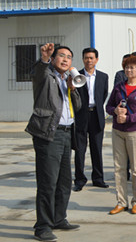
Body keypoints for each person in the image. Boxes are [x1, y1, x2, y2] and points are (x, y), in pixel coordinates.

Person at [26, 43, 82, 241]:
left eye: (69, 57)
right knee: (48, 182)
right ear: (53, 58)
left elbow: (78, 106)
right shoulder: (46, 76)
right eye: (61, 56)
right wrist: (43, 59)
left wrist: (72, 89)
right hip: (49, 133)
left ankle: (59, 218)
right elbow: (38, 72)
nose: (65, 60)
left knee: (64, 181)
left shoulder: (68, 79)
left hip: (67, 134)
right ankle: (42, 226)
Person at [106, 54, 136, 215]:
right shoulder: (119, 87)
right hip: (118, 131)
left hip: (134, 131)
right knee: (119, 167)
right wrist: (115, 111)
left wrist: (128, 118)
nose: (129, 70)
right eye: (126, 67)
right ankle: (121, 202)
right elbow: (108, 106)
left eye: (132, 67)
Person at [73, 47, 109, 192]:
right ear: (83, 59)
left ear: (96, 60)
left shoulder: (103, 77)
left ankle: (98, 179)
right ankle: (79, 180)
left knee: (97, 149)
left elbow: (103, 95)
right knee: (80, 149)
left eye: (91, 58)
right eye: (86, 58)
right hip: (81, 115)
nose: (89, 60)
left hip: (96, 115)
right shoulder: (77, 76)